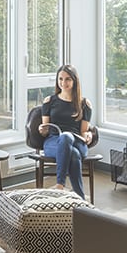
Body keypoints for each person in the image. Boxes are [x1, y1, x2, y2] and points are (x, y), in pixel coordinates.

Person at [38, 64, 93, 199]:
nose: (63, 83)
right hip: (54, 141)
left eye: (68, 79)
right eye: (60, 79)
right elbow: (45, 131)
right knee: (72, 152)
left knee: (68, 137)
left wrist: (88, 135)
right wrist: (41, 129)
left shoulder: (84, 104)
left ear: (74, 81)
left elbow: (83, 132)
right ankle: (80, 199)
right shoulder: (49, 101)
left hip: (77, 142)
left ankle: (59, 185)